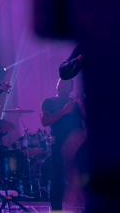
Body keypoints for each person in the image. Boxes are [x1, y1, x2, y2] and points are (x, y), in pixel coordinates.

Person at [40, 78, 85, 212]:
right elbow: (45, 121)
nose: (63, 84)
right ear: (56, 85)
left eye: (67, 83)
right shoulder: (49, 102)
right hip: (59, 144)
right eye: (61, 82)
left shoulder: (76, 103)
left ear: (72, 88)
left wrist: (81, 104)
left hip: (78, 145)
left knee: (82, 177)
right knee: (57, 179)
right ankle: (56, 210)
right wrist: (64, 111)